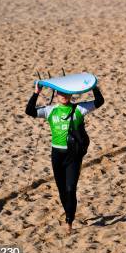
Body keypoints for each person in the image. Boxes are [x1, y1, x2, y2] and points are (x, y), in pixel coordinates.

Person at [25, 82, 104, 235]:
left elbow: (99, 102)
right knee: (62, 191)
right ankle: (68, 212)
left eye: (66, 93)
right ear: (56, 94)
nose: (64, 96)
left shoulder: (79, 109)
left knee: (70, 189)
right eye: (60, 93)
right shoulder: (50, 111)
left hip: (73, 156)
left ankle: (69, 220)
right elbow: (29, 111)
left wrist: (93, 86)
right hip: (57, 155)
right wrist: (36, 93)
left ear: (71, 94)